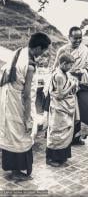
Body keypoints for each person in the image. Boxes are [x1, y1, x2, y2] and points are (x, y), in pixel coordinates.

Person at [0, 32, 51, 179]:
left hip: (6, 98)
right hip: (17, 102)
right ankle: (17, 171)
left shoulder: (19, 51)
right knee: (22, 133)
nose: (42, 54)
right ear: (38, 48)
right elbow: (27, 95)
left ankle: (12, 167)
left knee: (11, 133)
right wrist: (28, 117)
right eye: (43, 50)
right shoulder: (29, 66)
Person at [53, 26, 88, 145]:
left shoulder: (86, 51)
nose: (78, 41)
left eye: (80, 38)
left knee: (79, 111)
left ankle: (77, 137)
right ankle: (63, 137)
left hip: (80, 85)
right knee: (65, 112)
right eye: (75, 38)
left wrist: (82, 71)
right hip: (64, 85)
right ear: (69, 37)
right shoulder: (62, 50)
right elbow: (55, 68)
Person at [46, 53, 78, 167]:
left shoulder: (66, 73)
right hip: (59, 107)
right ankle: (51, 158)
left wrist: (74, 83)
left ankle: (61, 156)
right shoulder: (59, 75)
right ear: (64, 64)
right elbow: (60, 95)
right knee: (57, 132)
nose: (71, 68)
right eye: (70, 65)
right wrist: (72, 86)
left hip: (65, 107)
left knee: (65, 132)